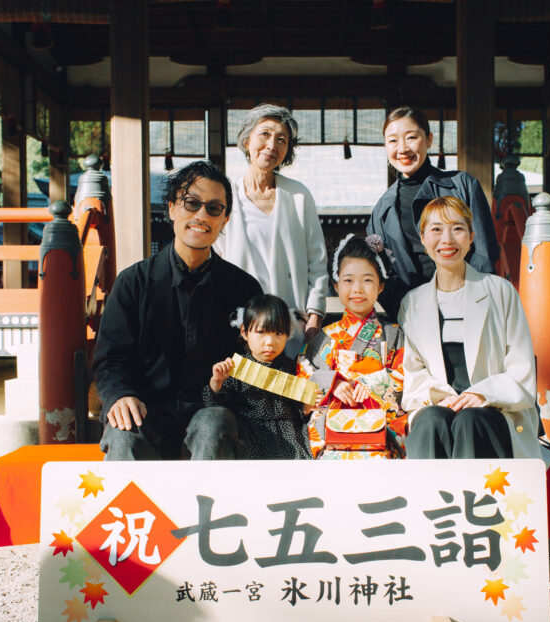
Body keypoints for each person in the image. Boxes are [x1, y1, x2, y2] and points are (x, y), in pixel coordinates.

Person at [93, 160, 263, 461]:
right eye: (191, 203)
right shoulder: (133, 282)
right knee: (123, 429)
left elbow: (256, 360)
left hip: (210, 411)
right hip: (146, 408)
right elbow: (111, 358)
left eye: (214, 208)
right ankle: (126, 510)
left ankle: (211, 509)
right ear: (171, 208)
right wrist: (118, 396)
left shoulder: (243, 289)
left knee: (215, 424)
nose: (201, 215)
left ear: (224, 220)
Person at [398, 196, 540, 461]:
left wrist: (482, 393)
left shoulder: (500, 292)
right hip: (438, 402)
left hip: (495, 407)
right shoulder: (413, 303)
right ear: (423, 238)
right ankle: (430, 501)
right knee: (430, 420)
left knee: (470, 420)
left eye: (458, 228)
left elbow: (520, 367)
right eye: (437, 229)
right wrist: (443, 398)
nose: (447, 239)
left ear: (472, 236)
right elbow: (412, 371)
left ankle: (478, 502)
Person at [213, 103, 329, 357]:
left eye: (281, 139)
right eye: (264, 134)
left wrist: (315, 314)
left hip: (291, 326)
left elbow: (317, 263)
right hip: (242, 324)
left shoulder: (298, 195)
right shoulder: (225, 195)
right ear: (246, 140)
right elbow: (215, 261)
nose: (272, 145)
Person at [367, 105, 500, 316]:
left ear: (429, 139)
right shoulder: (382, 210)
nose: (402, 148)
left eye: (411, 137)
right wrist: (407, 310)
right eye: (392, 140)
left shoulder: (462, 185)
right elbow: (380, 271)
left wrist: (470, 302)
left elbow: (484, 253)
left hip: (467, 308)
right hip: (413, 315)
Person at [298, 234, 407, 459]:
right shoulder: (323, 338)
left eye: (367, 280)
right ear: (336, 286)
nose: (357, 289)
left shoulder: (394, 334)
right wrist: (331, 384)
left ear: (380, 286)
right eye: (348, 281)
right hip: (332, 434)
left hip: (379, 430)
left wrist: (369, 384)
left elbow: (406, 376)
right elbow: (302, 376)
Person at [202, 294, 313, 460]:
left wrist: (306, 408)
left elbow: (298, 410)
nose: (270, 341)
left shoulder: (294, 367)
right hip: (249, 439)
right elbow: (215, 408)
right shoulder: (234, 369)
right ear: (244, 332)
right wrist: (216, 382)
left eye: (279, 333)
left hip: (291, 438)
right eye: (261, 332)